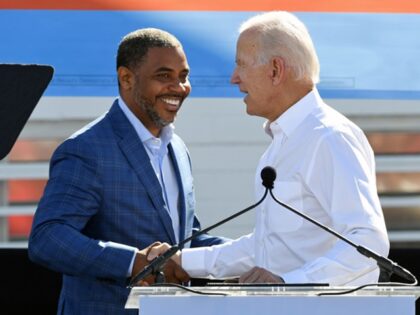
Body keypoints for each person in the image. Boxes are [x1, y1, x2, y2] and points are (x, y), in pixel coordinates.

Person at [149, 11, 390, 286]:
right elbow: (268, 248)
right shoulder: (283, 144)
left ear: (275, 70)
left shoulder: (330, 137)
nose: (234, 78)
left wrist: (288, 284)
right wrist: (180, 261)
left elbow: (368, 245)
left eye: (241, 65)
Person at [28, 28, 226, 314]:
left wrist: (251, 251)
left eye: (183, 76)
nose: (179, 87)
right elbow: (48, 238)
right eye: (164, 76)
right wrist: (134, 262)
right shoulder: (86, 149)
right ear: (126, 78)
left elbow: (186, 238)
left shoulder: (178, 148)